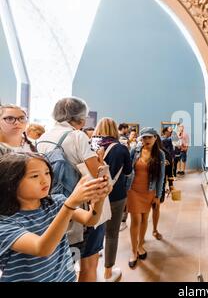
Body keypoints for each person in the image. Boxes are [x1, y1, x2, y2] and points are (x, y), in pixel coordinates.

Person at [0, 153, 110, 282]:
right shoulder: (5, 222)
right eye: (35, 176)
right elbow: (42, 248)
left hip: (65, 277)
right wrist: (70, 204)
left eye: (47, 173)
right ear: (10, 182)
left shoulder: (55, 202)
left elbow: (90, 220)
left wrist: (100, 199)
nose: (45, 180)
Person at [37, 97, 107, 282]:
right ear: (82, 118)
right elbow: (97, 172)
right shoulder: (77, 136)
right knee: (89, 263)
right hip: (80, 210)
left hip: (50, 206)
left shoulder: (42, 137)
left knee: (64, 264)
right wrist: (100, 158)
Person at [93, 118, 132, 282]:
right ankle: (108, 272)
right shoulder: (122, 148)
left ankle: (91, 267)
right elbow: (128, 172)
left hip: (94, 193)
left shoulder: (91, 146)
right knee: (112, 233)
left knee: (94, 231)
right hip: (116, 194)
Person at [125, 127, 165, 268]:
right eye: (144, 138)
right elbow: (127, 171)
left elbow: (161, 176)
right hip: (133, 191)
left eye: (149, 137)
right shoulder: (134, 151)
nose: (146, 140)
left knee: (144, 219)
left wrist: (158, 196)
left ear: (155, 138)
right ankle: (133, 251)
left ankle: (140, 245)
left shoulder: (160, 155)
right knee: (135, 219)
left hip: (149, 192)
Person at [161, 127, 175, 191]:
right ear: (166, 132)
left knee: (169, 173)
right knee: (163, 175)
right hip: (164, 159)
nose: (171, 133)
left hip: (169, 158)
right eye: (170, 132)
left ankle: (169, 185)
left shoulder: (169, 139)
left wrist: (172, 158)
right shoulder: (163, 139)